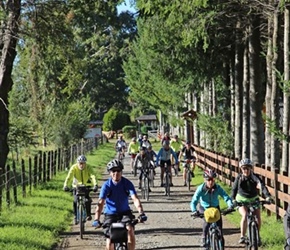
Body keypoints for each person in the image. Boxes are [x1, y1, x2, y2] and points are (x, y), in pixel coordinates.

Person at [92, 159, 147, 250]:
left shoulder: (127, 183)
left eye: (118, 171)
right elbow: (100, 203)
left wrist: (141, 213)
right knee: (109, 240)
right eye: (113, 171)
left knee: (130, 230)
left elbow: (135, 199)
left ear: (121, 172)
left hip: (125, 213)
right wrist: (96, 219)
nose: (116, 173)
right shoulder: (106, 185)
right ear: (110, 172)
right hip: (110, 215)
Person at [231, 158, 272, 245]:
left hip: (253, 198)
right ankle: (242, 236)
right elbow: (234, 189)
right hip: (241, 199)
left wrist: (268, 196)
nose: (245, 170)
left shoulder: (255, 177)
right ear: (241, 169)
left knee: (258, 218)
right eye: (243, 168)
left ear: (251, 169)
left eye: (247, 168)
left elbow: (262, 186)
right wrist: (233, 200)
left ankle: (257, 236)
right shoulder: (239, 177)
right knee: (245, 215)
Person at [190, 169, 233, 248]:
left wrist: (230, 205)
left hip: (215, 208)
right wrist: (194, 210)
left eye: (213, 179)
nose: (211, 182)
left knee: (220, 231)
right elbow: (194, 201)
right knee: (207, 221)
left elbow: (226, 197)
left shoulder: (217, 188)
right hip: (204, 208)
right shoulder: (201, 188)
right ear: (205, 180)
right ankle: (204, 237)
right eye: (209, 180)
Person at [63, 155, 98, 224]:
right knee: (75, 201)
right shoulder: (74, 167)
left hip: (86, 186)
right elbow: (69, 177)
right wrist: (65, 185)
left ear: (85, 163)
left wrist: (95, 185)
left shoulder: (88, 167)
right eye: (80, 163)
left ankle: (88, 214)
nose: (81, 165)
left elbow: (92, 176)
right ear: (77, 163)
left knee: (87, 201)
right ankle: (76, 217)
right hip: (76, 187)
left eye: (83, 163)